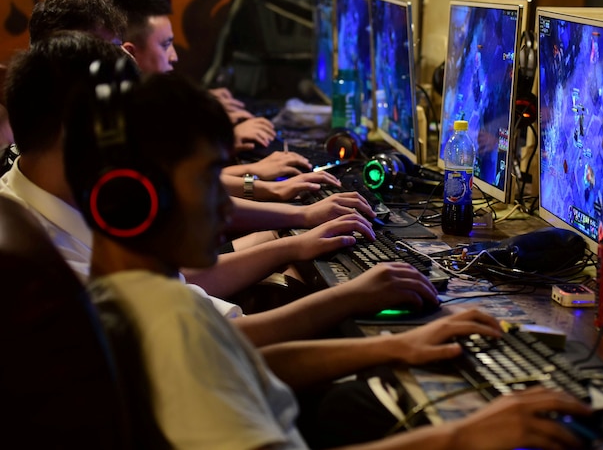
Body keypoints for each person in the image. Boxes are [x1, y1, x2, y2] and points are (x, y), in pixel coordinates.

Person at [63, 59, 592, 449]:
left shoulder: (124, 295)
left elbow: (238, 361)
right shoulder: (167, 319)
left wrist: (397, 347)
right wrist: (460, 438)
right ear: (133, 201)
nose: (227, 208)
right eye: (208, 182)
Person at [1, 29, 438, 346]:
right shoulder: (37, 258)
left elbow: (186, 291)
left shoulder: (63, 202)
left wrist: (294, 240)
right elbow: (216, 335)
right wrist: (350, 298)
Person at [16, 0, 395, 304]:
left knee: (291, 250)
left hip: (185, 296)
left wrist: (283, 212)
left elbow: (177, 283)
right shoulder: (68, 207)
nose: (122, 56)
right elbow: (184, 292)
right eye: (110, 49)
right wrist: (279, 205)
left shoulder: (53, 174)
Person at [107, 0, 325, 202]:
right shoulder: (120, 124)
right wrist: (261, 180)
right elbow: (196, 188)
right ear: (129, 53)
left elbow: (191, 179)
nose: (174, 56)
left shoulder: (136, 108)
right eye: (165, 45)